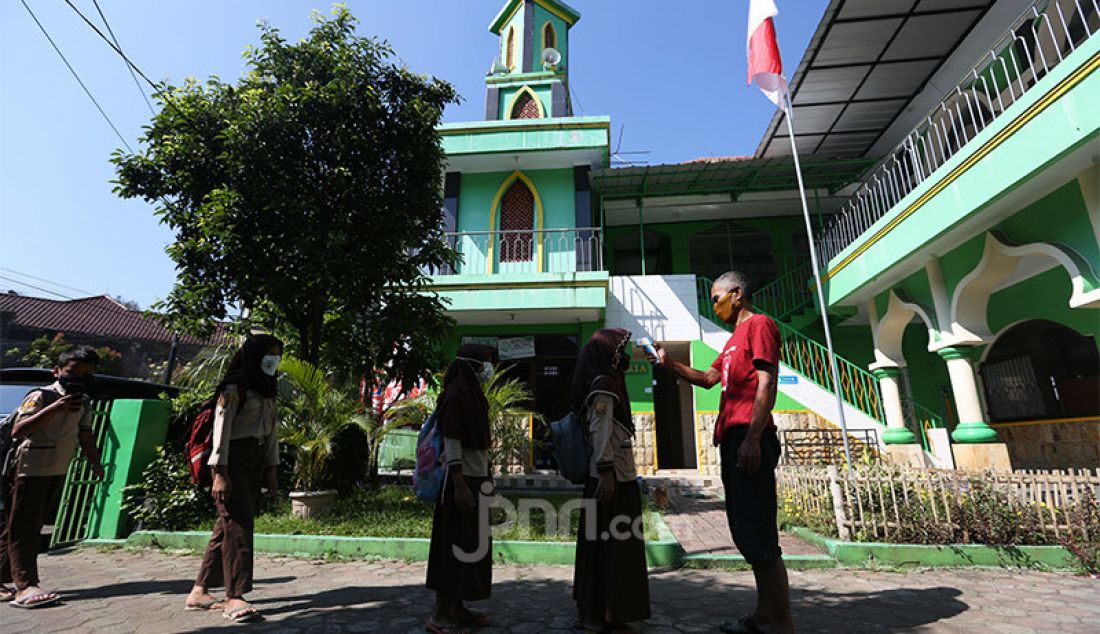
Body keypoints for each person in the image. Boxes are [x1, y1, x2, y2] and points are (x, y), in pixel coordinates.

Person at [650, 271, 794, 634]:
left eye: (716, 298)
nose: (713, 306)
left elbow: (767, 381)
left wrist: (752, 438)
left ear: (738, 294)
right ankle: (764, 615)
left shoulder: (759, 324)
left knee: (758, 533)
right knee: (745, 530)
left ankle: (781, 622)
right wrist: (669, 365)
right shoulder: (732, 342)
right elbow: (708, 379)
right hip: (734, 439)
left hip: (750, 436)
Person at [186, 333, 282, 623]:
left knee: (226, 524)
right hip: (231, 461)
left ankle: (199, 592)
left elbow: (272, 432)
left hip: (254, 460)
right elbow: (221, 432)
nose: (274, 359)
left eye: (278, 354)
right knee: (239, 525)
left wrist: (272, 469)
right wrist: (219, 474)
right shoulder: (233, 388)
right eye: (269, 353)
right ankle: (234, 596)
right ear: (254, 354)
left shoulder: (268, 388)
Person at [0, 346, 105, 608]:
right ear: (56, 371)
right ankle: (25, 585)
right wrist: (54, 408)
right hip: (28, 469)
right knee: (25, 528)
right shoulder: (40, 396)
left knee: (19, 526)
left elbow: (85, 434)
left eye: (86, 374)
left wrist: (95, 462)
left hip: (56, 468)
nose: (79, 378)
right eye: (72, 372)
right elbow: (18, 429)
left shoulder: (84, 401)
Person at [572, 328, 651, 633]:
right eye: (620, 348)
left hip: (611, 475)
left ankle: (597, 612)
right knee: (611, 549)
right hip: (611, 478)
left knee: (602, 547)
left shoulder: (608, 381)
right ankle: (599, 615)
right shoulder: (604, 384)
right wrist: (605, 471)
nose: (624, 354)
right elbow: (599, 427)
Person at [425, 343, 498, 634]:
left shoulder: (473, 396)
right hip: (460, 482)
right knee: (453, 547)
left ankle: (459, 608)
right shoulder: (456, 396)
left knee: (470, 546)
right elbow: (453, 442)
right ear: (471, 365)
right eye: (485, 364)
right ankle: (442, 614)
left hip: (475, 479)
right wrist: (460, 485)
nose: (488, 370)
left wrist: (487, 479)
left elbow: (479, 446)